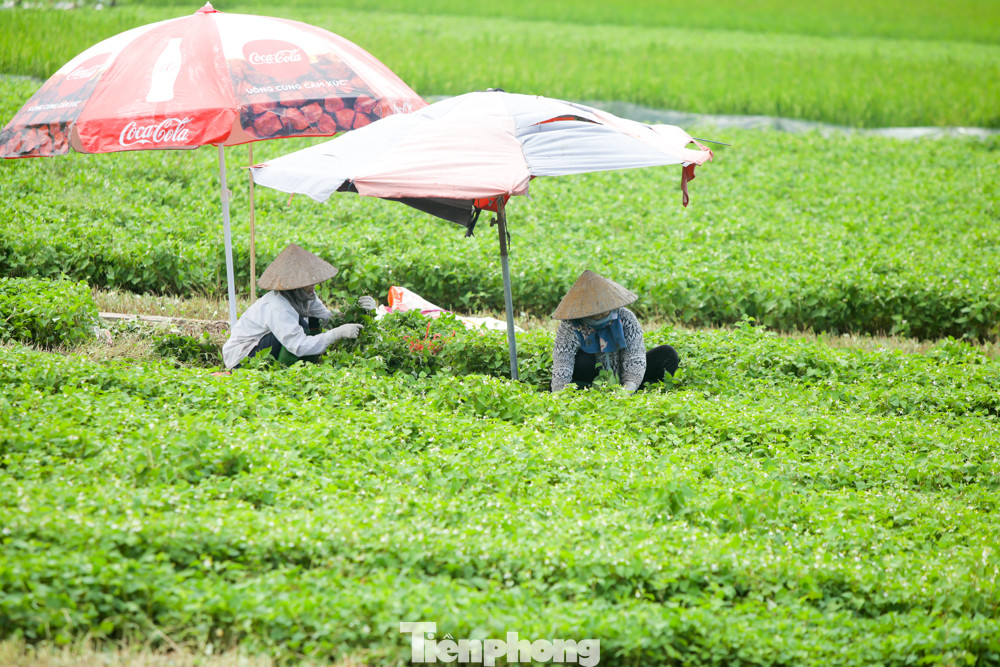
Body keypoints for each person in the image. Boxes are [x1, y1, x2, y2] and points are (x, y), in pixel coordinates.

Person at [222, 243, 376, 369]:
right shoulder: (278, 306)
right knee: (301, 325)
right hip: (242, 358)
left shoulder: (306, 296)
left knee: (313, 320)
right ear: (294, 286)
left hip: (260, 347)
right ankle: (286, 371)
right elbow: (299, 345)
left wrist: (358, 310)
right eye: (308, 283)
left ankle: (303, 365)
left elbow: (328, 318)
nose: (313, 286)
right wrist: (335, 334)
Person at [550, 270, 679, 393]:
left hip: (622, 376)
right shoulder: (570, 325)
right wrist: (560, 395)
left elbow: (635, 356)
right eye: (593, 312)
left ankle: (639, 391)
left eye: (603, 309)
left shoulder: (625, 318)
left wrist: (627, 390)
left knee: (667, 354)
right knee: (583, 359)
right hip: (589, 379)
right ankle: (591, 393)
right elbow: (563, 365)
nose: (599, 314)